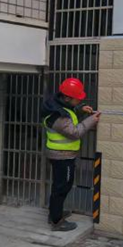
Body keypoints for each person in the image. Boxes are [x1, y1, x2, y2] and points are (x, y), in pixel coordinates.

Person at [41, 78, 100, 231]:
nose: (79, 100)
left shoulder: (58, 107)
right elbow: (74, 132)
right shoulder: (58, 116)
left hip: (61, 155)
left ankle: (55, 212)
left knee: (60, 186)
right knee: (62, 187)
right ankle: (56, 221)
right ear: (67, 98)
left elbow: (70, 118)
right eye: (77, 98)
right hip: (62, 156)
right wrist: (91, 120)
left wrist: (80, 110)